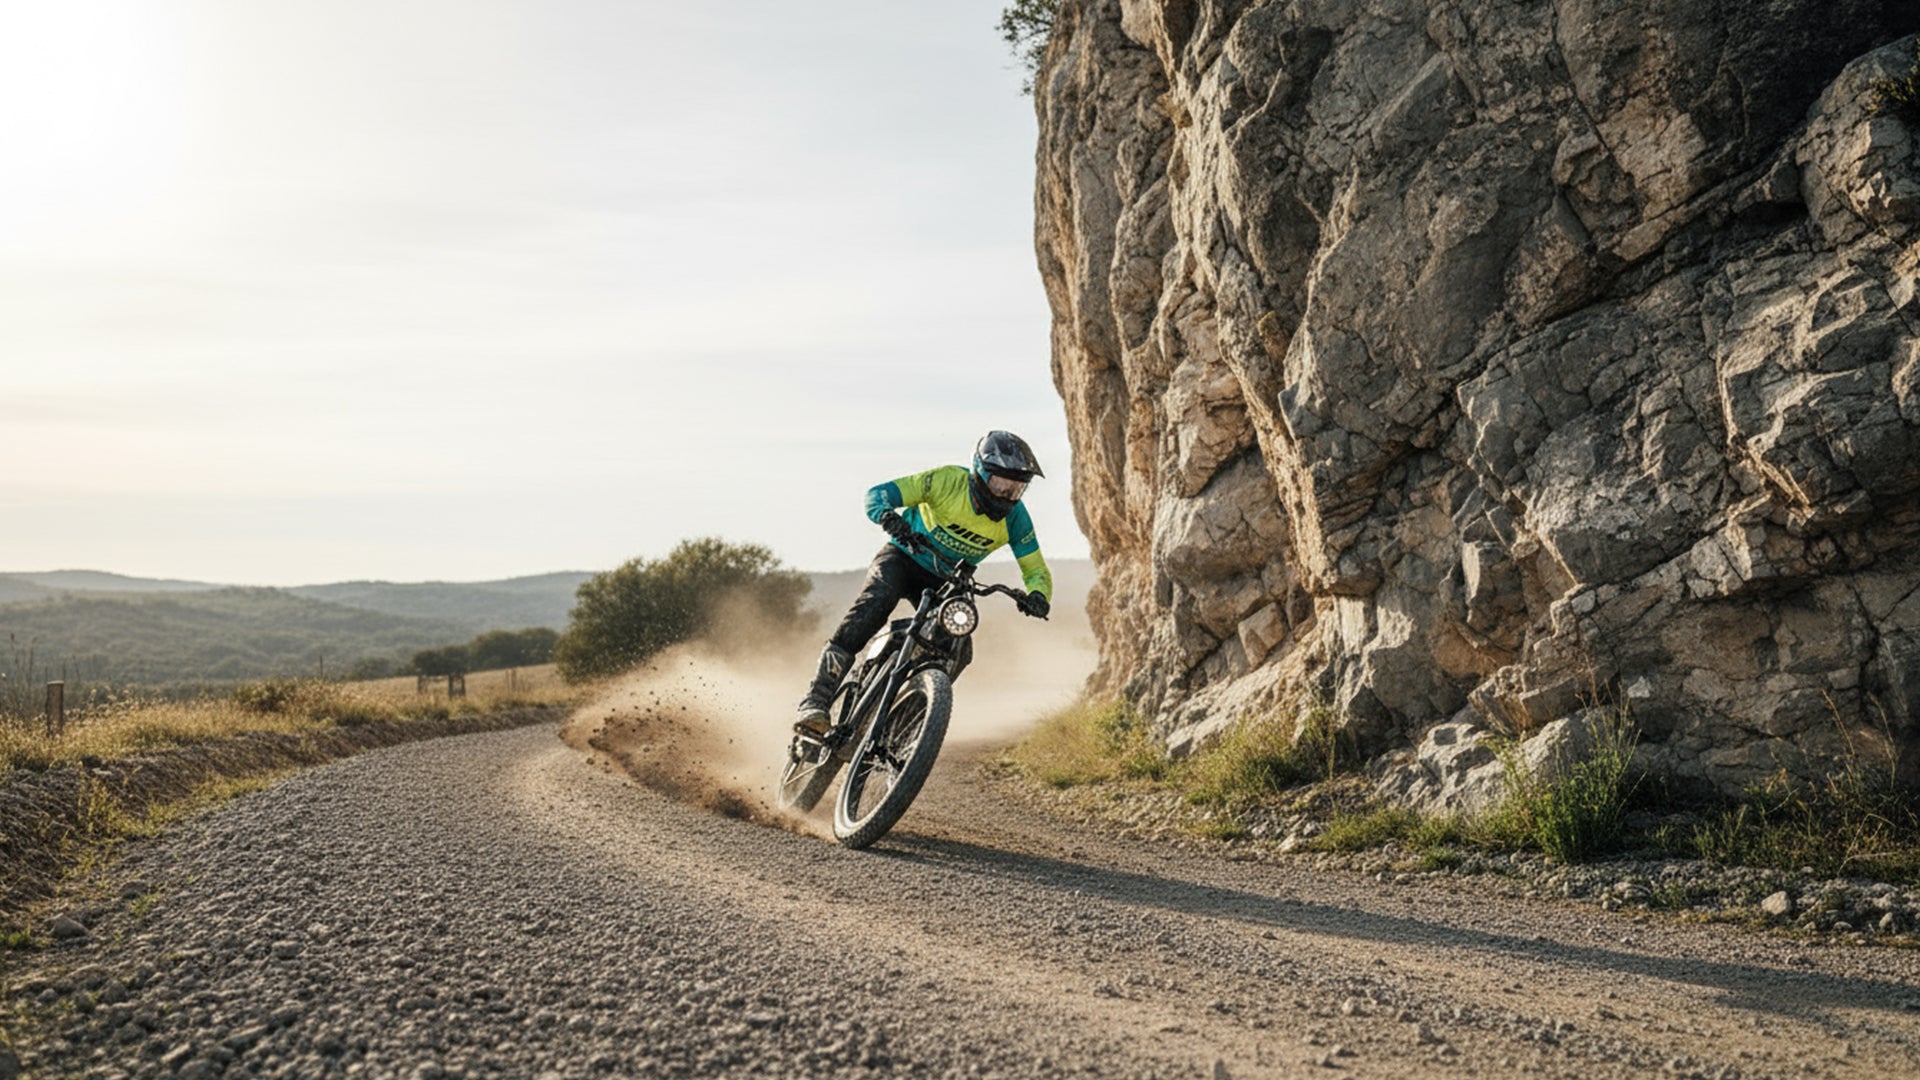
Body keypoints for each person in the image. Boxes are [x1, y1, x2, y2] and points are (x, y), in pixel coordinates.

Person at [794, 430, 1054, 736]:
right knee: (874, 605)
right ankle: (816, 702)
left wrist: (1038, 595)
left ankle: (905, 726)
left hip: (949, 580)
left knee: (958, 647)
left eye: (1016, 489)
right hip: (903, 557)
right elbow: (878, 494)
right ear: (980, 473)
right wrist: (887, 516)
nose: (1007, 496)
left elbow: (1036, 570)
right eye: (1001, 485)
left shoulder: (1016, 519)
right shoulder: (946, 481)